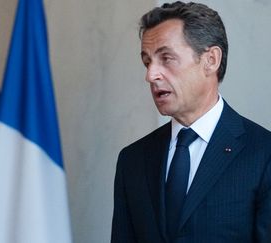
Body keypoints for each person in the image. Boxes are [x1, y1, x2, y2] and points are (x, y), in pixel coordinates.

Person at [111, 2, 271, 242]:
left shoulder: (263, 153)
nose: (151, 75)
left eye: (166, 58)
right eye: (147, 62)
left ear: (211, 60)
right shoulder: (132, 160)